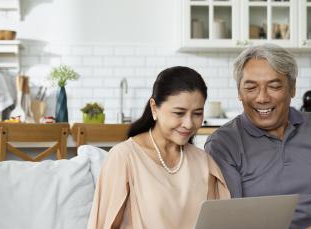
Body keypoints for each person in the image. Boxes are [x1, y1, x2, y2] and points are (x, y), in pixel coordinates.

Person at [205, 44, 311, 229]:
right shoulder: (223, 143)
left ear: (292, 89)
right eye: (251, 88)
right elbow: (229, 224)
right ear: (239, 93)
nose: (262, 98)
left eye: (274, 86)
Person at [88, 66, 230, 229]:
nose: (189, 123)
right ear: (154, 108)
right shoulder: (124, 158)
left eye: (197, 113)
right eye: (179, 113)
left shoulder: (203, 162)